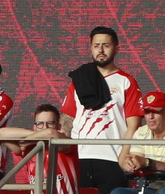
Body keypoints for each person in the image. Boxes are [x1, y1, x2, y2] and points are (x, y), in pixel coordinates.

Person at [61, 26, 143, 194]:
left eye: (106, 45)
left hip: (112, 157)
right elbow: (67, 119)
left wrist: (123, 156)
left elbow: (133, 125)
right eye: (96, 45)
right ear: (91, 48)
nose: (101, 50)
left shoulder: (126, 81)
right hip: (80, 157)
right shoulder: (79, 79)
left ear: (116, 48)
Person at [110, 92, 165, 194]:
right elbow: (136, 159)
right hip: (153, 189)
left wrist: (147, 162)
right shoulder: (140, 133)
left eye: (155, 111)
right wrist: (131, 164)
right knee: (118, 192)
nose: (150, 117)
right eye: (147, 112)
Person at [0, 105, 78, 194]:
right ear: (34, 127)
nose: (44, 127)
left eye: (50, 123)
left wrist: (27, 141)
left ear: (58, 126)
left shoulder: (67, 143)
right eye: (40, 124)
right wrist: (31, 138)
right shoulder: (30, 148)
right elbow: (0, 133)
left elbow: (50, 133)